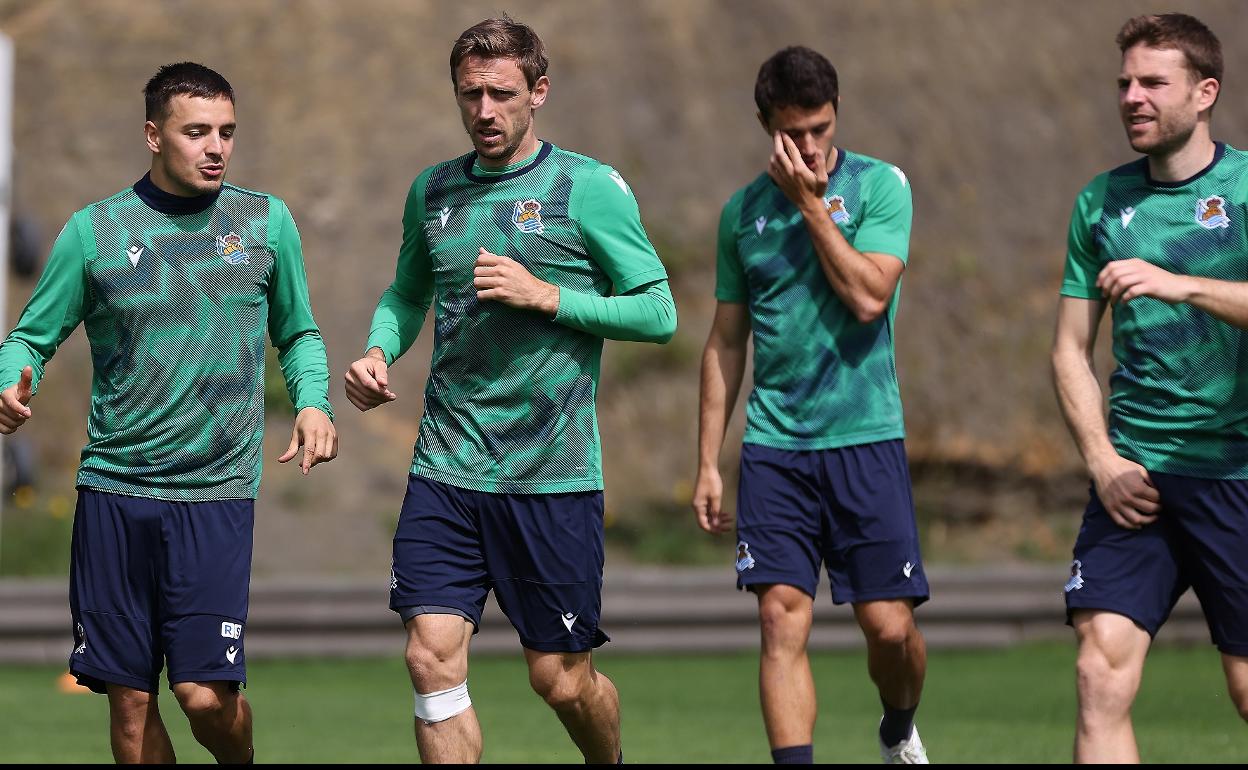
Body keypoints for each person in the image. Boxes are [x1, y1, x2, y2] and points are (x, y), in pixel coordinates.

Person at [343, 16, 675, 764]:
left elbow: (658, 312)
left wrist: (547, 296)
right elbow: (407, 294)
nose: (484, 110)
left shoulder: (588, 188)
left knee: (560, 681)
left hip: (551, 476)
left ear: (538, 92)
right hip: (448, 466)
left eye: (501, 93)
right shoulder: (433, 190)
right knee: (429, 657)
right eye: (471, 94)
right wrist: (378, 350)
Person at [0, 62, 336, 764]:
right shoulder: (93, 231)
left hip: (215, 495)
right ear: (154, 135)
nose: (216, 148)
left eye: (226, 133)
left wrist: (312, 402)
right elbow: (30, 337)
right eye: (196, 132)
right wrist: (11, 381)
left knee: (205, 697)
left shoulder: (265, 223)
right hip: (115, 493)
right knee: (130, 708)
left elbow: (299, 331)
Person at [692, 46, 928, 764]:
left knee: (889, 629)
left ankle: (898, 726)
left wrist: (810, 206)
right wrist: (707, 462)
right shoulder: (741, 214)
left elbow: (868, 297)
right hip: (775, 448)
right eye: (792, 134)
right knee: (779, 619)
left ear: (837, 114)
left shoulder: (881, 186)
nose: (809, 147)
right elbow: (725, 342)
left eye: (820, 129)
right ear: (766, 126)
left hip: (866, 438)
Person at [1051, 13, 1248, 763]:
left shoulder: (1244, 188)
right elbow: (1069, 350)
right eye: (1125, 83)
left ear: (1205, 92)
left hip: (1236, 475)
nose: (1132, 97)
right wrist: (1102, 460)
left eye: (1153, 83)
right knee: (1098, 672)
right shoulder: (1100, 202)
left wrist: (1181, 284)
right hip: (1136, 477)